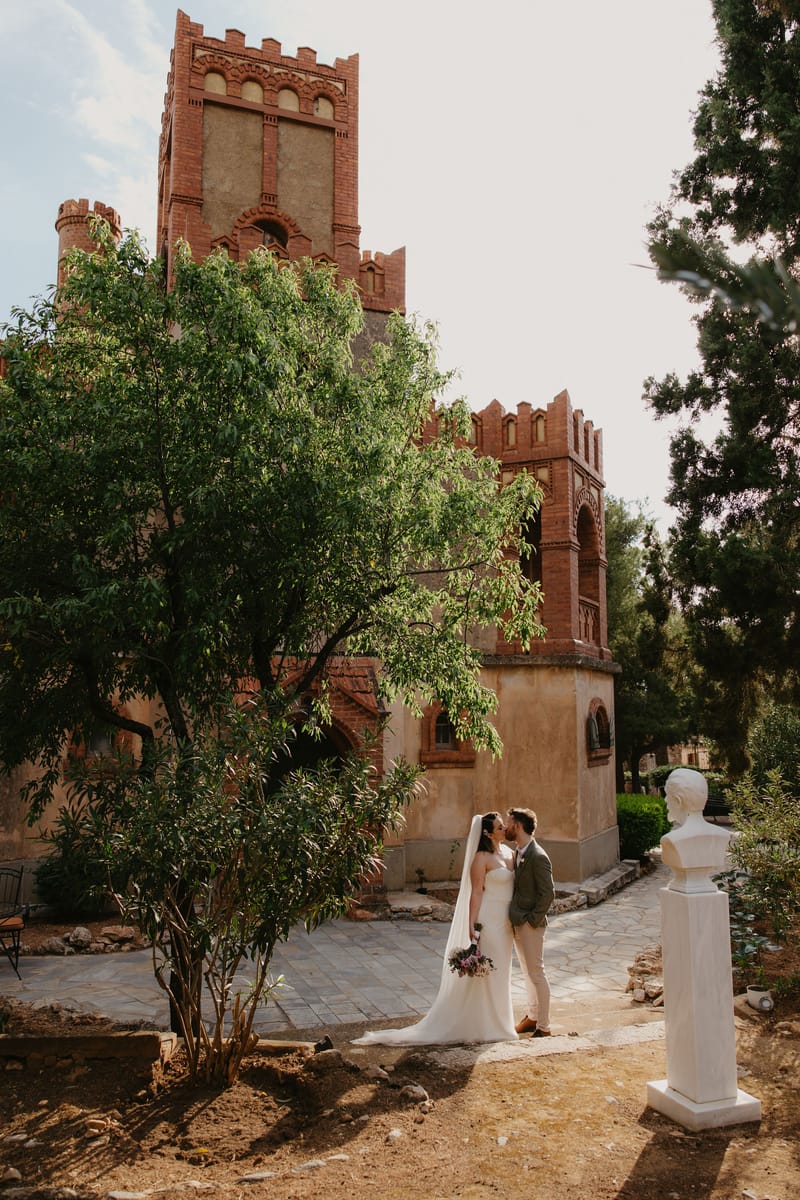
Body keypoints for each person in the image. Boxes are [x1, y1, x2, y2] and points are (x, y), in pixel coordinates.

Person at [352, 812, 518, 1045]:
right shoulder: (481, 858)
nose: (504, 830)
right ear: (489, 833)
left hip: (506, 922)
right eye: (500, 827)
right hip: (489, 920)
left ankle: (501, 1021)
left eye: (503, 826)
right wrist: (471, 923)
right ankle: (488, 1026)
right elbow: (476, 893)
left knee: (503, 970)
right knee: (489, 972)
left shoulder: (510, 854)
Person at [506, 806, 554, 1037]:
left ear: (517, 826)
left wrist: (531, 921)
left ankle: (544, 1027)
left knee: (536, 973)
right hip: (518, 921)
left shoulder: (538, 856)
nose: (506, 827)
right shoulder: (518, 852)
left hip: (530, 924)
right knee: (527, 973)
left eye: (509, 823)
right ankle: (533, 1017)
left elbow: (548, 894)